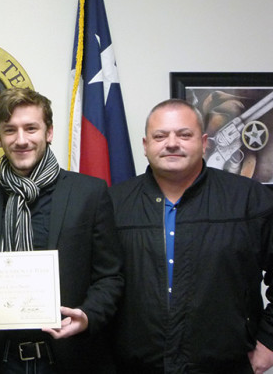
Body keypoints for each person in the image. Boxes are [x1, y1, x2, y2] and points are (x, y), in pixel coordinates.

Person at [0, 87, 123, 373]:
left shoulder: (89, 193)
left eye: (31, 128)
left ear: (49, 132)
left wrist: (87, 315)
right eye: (10, 130)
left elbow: (110, 275)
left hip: (69, 357)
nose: (21, 140)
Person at [108, 98, 273, 373]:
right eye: (160, 136)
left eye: (184, 135)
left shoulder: (249, 199)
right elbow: (98, 282)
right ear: (145, 145)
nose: (172, 143)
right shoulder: (113, 203)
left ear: (205, 142)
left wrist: (268, 342)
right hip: (135, 366)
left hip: (225, 365)